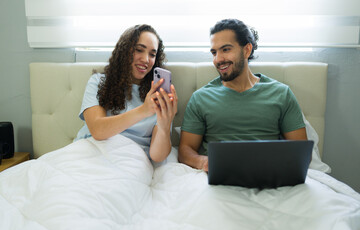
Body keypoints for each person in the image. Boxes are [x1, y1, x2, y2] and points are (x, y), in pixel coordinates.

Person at [178, 19, 307, 172]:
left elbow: (301, 153)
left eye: (226, 49)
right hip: (219, 177)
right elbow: (185, 150)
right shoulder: (201, 98)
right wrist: (203, 162)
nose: (218, 59)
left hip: (269, 175)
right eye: (214, 52)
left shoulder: (281, 93)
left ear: (247, 50)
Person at [75, 24, 178, 163]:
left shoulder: (157, 96)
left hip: (130, 160)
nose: (146, 59)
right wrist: (143, 110)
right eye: (139, 50)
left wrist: (165, 126)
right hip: (89, 152)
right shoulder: (98, 82)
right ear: (124, 51)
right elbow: (98, 130)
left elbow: (158, 156)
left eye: (152, 54)